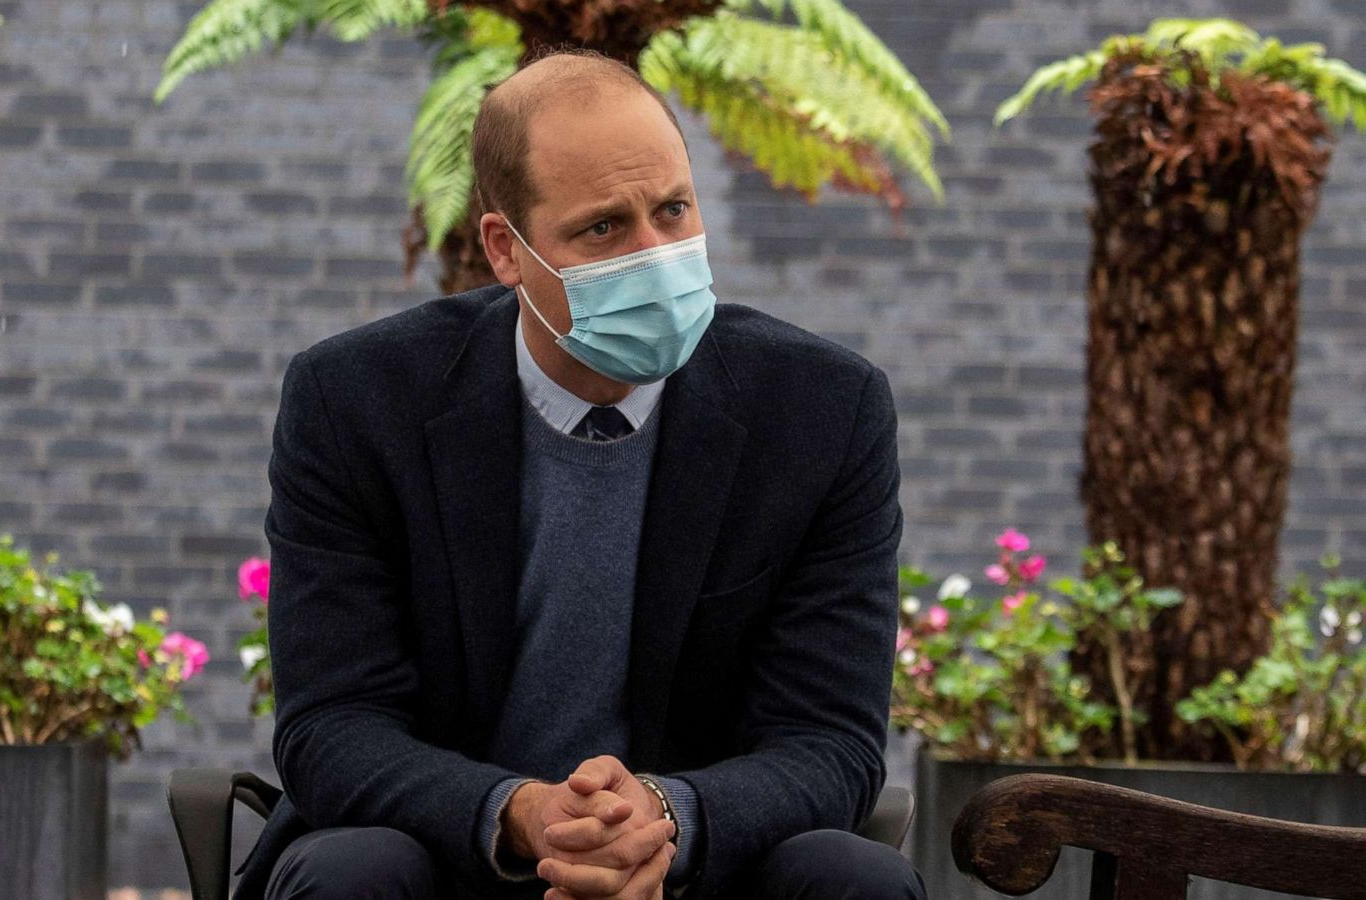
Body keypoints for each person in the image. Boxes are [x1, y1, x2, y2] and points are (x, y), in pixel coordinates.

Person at [233, 48, 923, 900]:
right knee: (348, 873)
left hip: (695, 865)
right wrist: (523, 813)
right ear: (506, 249)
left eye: (673, 210)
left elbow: (830, 740)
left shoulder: (823, 410)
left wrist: (667, 817)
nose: (655, 252)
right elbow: (332, 726)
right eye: (604, 228)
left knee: (855, 877)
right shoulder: (357, 402)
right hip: (444, 854)